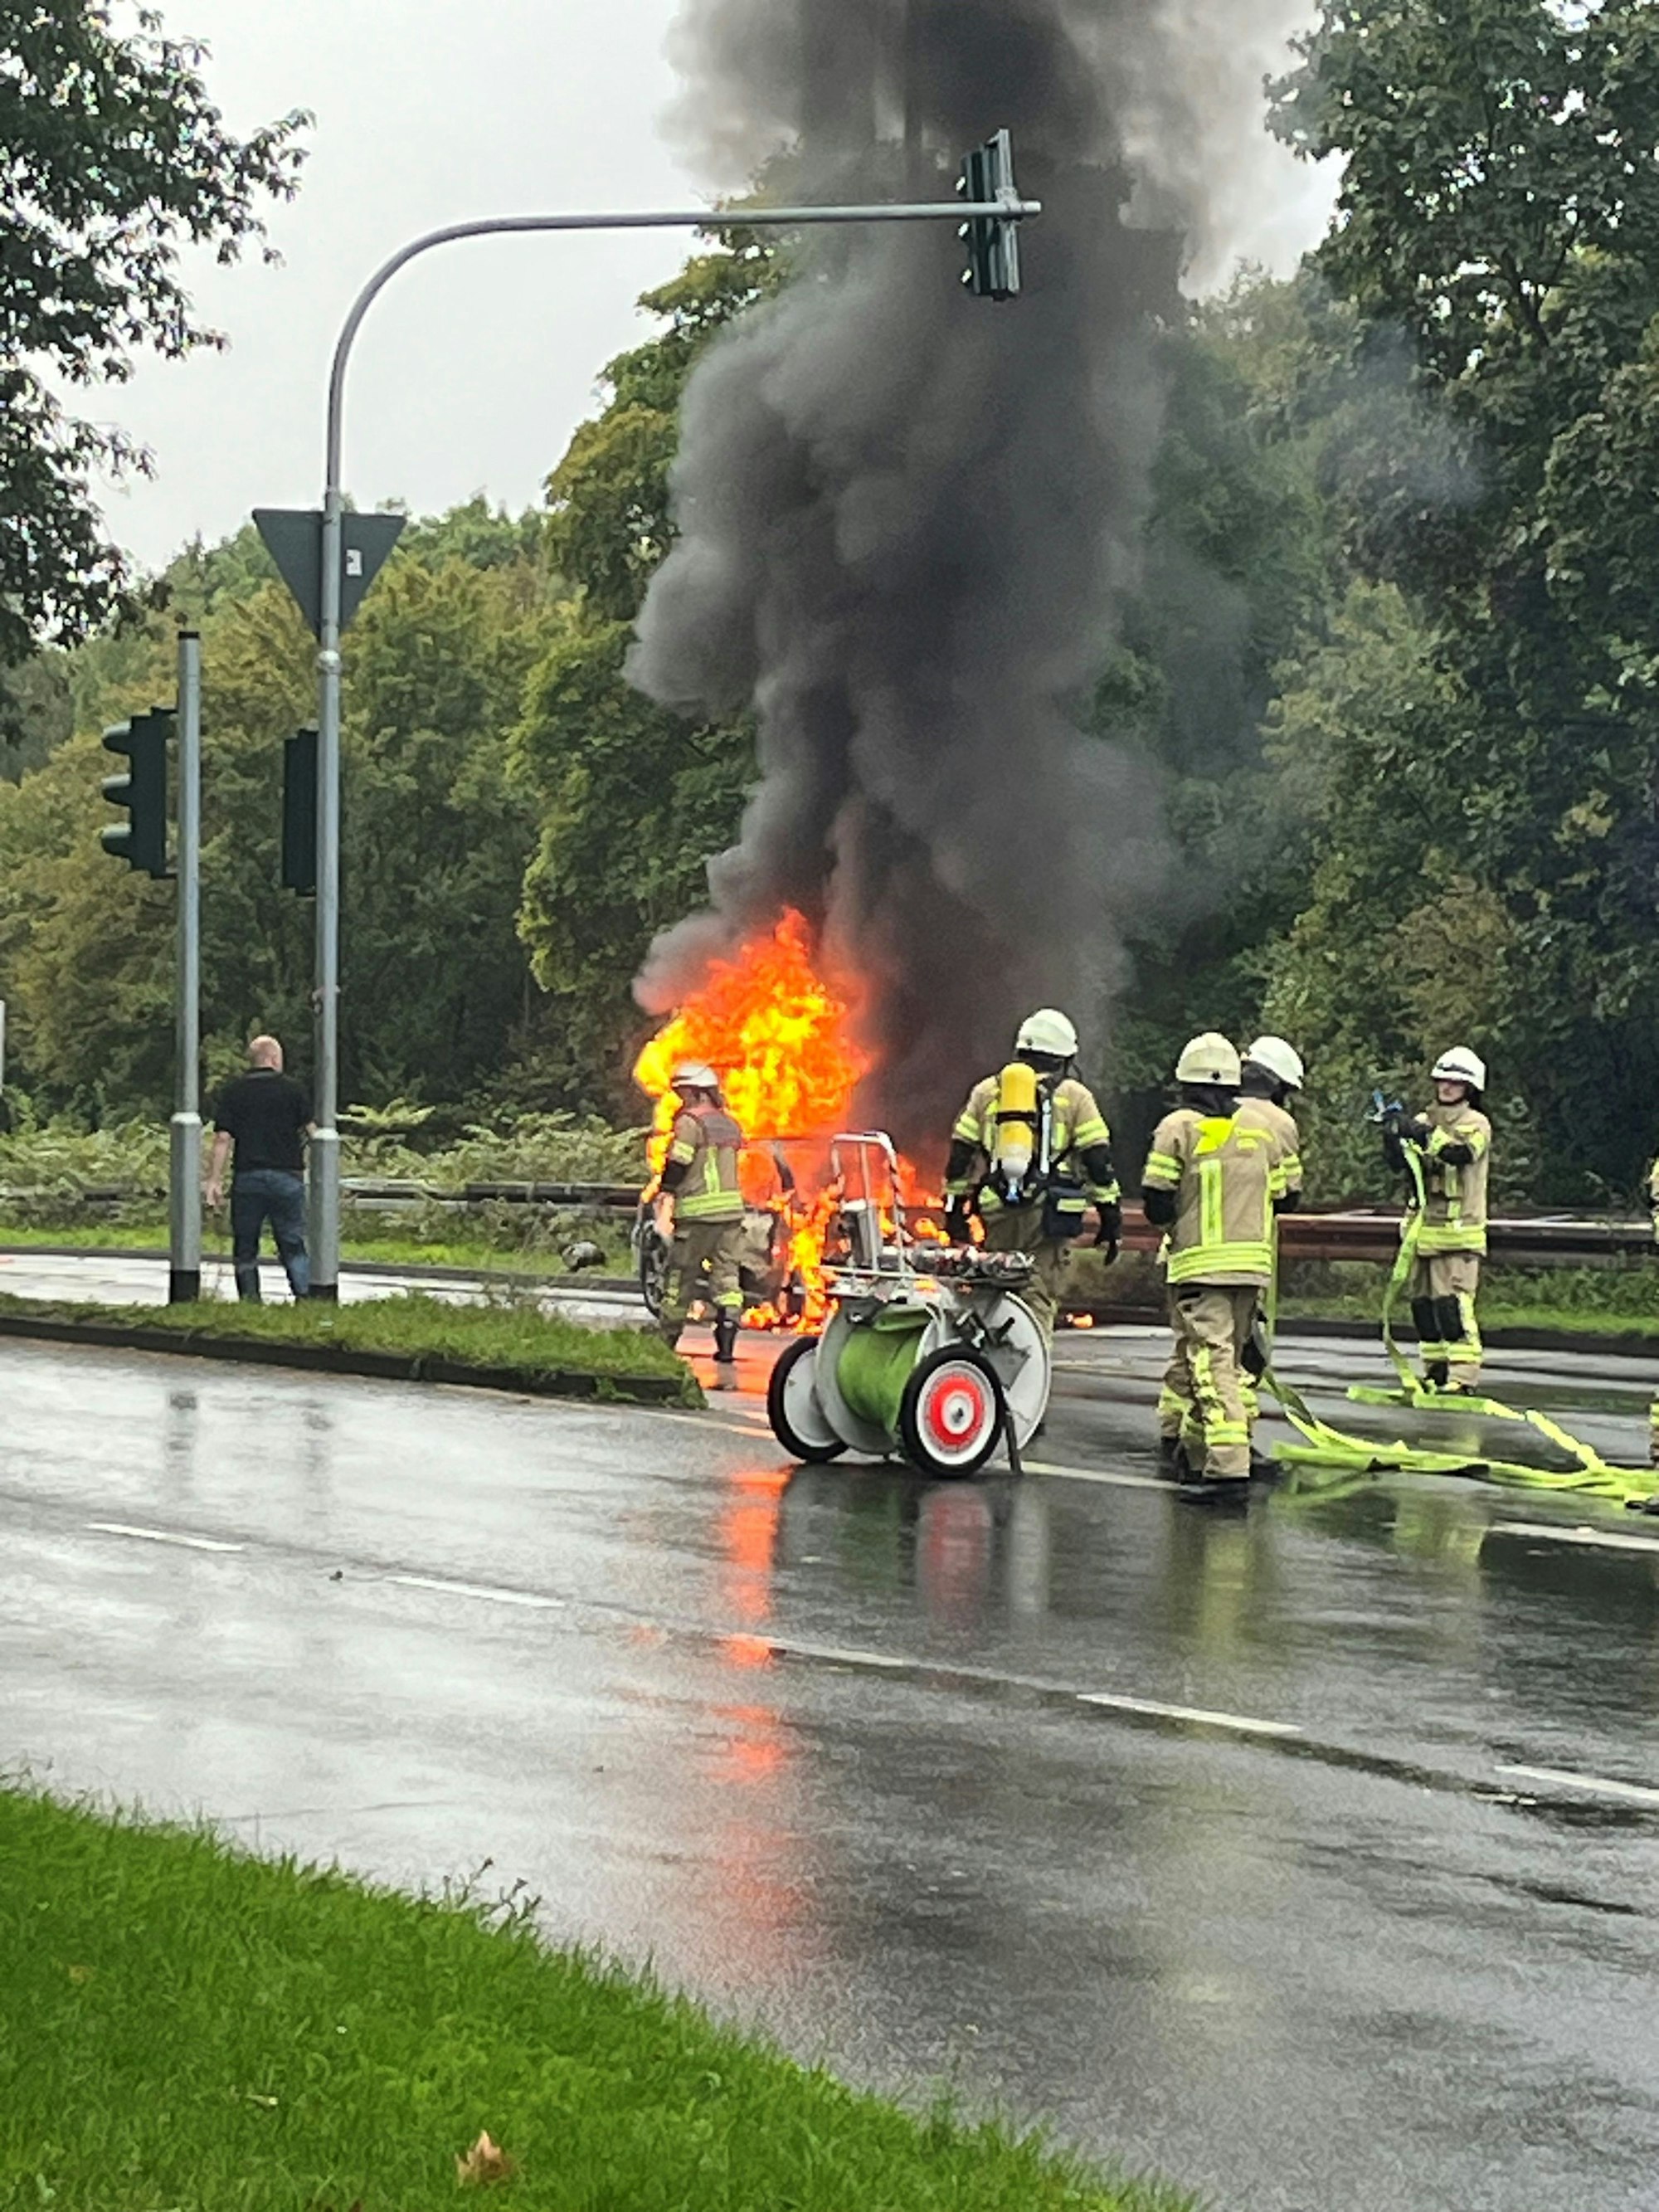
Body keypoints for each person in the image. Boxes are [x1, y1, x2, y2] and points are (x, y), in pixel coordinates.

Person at [1141, 1033, 1295, 1493]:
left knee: (1210, 1364)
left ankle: (1228, 1468)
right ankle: (1194, 1450)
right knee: (1232, 1363)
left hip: (1200, 1269)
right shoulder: (1260, 1130)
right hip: (1251, 1267)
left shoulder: (1178, 1128)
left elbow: (1156, 1203)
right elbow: (1288, 1196)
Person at [942, 1008, 1121, 1337]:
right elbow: (1098, 1159)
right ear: (1063, 1058)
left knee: (994, 1283)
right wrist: (1110, 1214)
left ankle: (983, 1367)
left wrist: (954, 1209)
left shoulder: (987, 1091)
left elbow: (960, 1155)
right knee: (1036, 1292)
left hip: (995, 1208)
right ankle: (1026, 1373)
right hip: (1048, 1216)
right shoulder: (1074, 1096)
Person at [1381, 1046, 1491, 1393]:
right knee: (1424, 1307)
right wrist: (1392, 1136)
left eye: (1455, 1082)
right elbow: (1402, 1166)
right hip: (1422, 1232)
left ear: (1469, 1087)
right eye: (1442, 1079)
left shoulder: (1476, 1124)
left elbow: (1459, 1154)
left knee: (1452, 1306)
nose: (1446, 1086)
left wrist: (1420, 1133)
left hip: (1458, 1235)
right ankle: (1435, 1372)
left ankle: (1463, 1377)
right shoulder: (1425, 1120)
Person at [1233, 1035, 1306, 1464]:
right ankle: (1233, 1444)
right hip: (1242, 1252)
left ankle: (1179, 1436)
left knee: (1196, 1351)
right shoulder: (1278, 1124)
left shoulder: (1203, 1114)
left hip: (1184, 1252)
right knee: (1245, 1352)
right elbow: (1288, 1194)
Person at [656, 1060, 745, 1386]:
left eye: (682, 1093)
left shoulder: (690, 1123)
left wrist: (666, 1191)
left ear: (695, 1091)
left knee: (680, 1278)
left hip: (698, 1215)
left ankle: (665, 1342)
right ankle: (725, 1350)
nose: (680, 1100)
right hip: (732, 1214)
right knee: (728, 1281)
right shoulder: (730, 1124)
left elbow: (679, 1163)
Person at [205, 1035, 313, 1301]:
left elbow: (222, 1139)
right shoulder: (294, 1089)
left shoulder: (235, 1092)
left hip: (248, 1178)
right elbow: (313, 1132)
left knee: (245, 1245)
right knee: (292, 1243)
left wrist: (214, 1180)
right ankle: (304, 1296)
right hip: (287, 1177)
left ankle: (251, 1301)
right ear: (274, 1059)